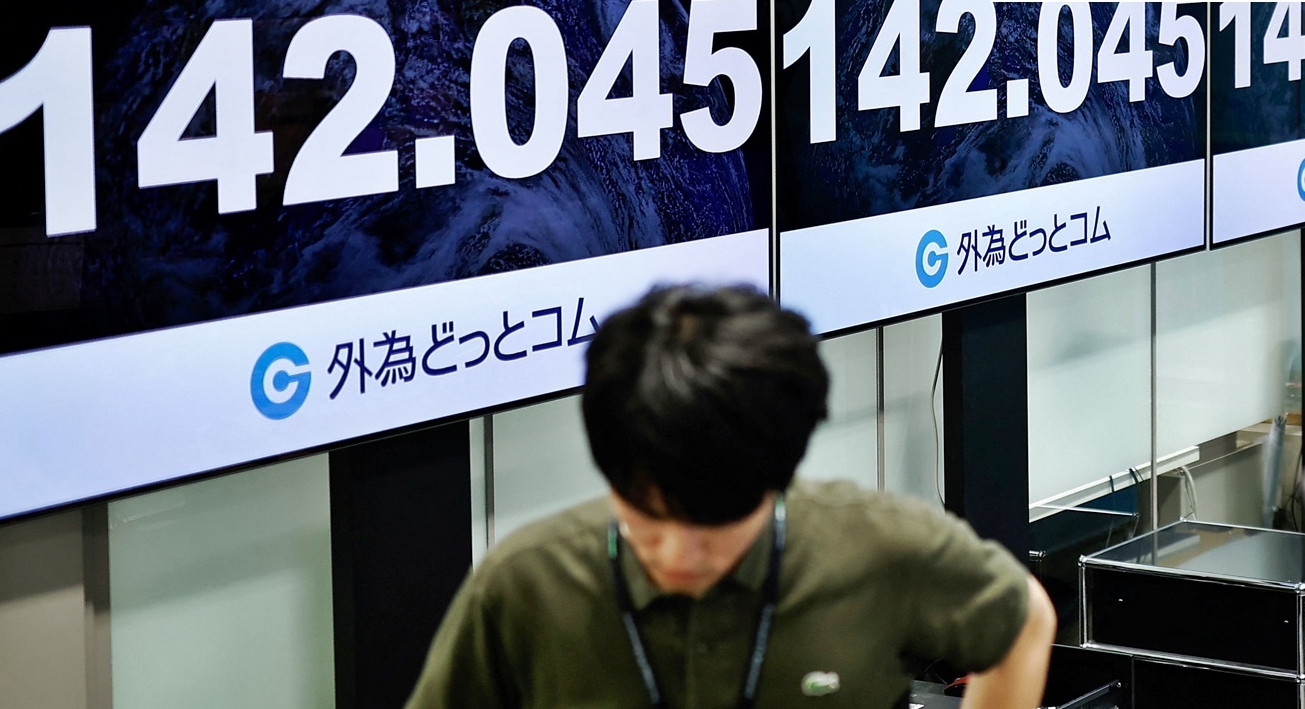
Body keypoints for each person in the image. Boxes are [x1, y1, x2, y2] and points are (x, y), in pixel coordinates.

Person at [406, 285, 1056, 709]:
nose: (682, 555)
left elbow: (1025, 618)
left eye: (718, 528)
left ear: (776, 481)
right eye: (651, 524)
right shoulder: (525, 584)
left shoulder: (880, 547)